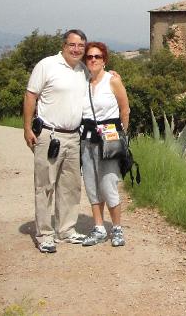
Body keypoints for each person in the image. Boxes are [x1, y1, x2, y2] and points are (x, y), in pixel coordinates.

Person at [23, 29, 90, 253]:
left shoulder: (83, 71)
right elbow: (31, 95)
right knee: (45, 185)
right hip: (49, 135)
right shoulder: (47, 65)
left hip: (74, 136)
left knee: (70, 186)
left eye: (81, 46)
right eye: (73, 44)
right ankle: (44, 234)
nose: (76, 49)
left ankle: (66, 230)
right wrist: (26, 127)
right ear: (64, 45)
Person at [80, 41, 131, 248]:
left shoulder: (113, 81)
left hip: (109, 136)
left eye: (97, 57)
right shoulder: (81, 81)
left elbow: (125, 109)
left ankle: (117, 228)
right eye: (90, 57)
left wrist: (122, 136)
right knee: (91, 182)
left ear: (104, 60)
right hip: (87, 137)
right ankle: (99, 227)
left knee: (108, 182)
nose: (93, 60)